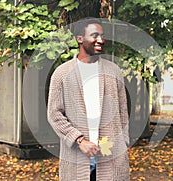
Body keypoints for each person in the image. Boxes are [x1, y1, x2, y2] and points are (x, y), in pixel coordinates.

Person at [47, 18, 130, 181]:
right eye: (94, 35)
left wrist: (123, 142)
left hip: (111, 157)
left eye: (102, 35)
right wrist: (79, 140)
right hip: (77, 157)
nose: (100, 40)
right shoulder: (62, 74)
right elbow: (54, 114)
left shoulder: (114, 71)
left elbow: (123, 111)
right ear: (80, 39)